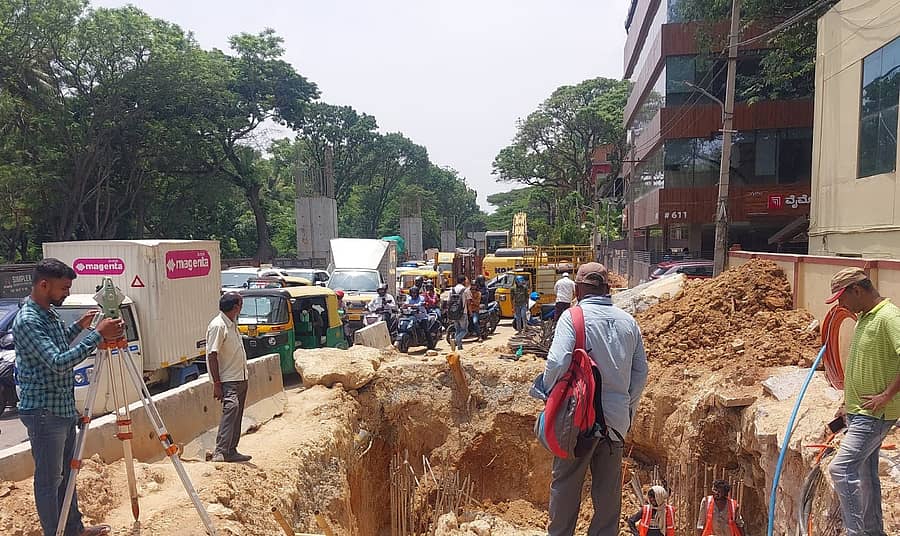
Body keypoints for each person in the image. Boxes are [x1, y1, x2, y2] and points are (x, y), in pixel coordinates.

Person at [13, 258, 124, 536]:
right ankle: (56, 532)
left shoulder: (48, 312)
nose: (67, 293)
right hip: (44, 412)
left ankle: (73, 529)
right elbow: (58, 361)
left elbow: (58, 343)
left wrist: (79, 328)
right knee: (50, 481)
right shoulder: (28, 320)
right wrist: (97, 336)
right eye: (63, 288)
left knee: (68, 474)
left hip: (61, 408)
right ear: (44, 284)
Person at [542, 262, 648, 536]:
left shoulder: (573, 318)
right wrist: (626, 408)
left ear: (578, 290)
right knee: (608, 497)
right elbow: (640, 374)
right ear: (608, 288)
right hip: (615, 423)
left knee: (566, 487)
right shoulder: (629, 322)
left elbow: (557, 362)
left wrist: (551, 395)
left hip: (576, 423)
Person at [824, 267, 900, 536]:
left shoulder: (889, 317)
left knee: (841, 469)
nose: (841, 306)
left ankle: (855, 532)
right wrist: (847, 404)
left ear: (856, 290)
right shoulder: (866, 317)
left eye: (842, 298)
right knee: (866, 475)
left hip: (875, 415)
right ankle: (873, 531)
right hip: (859, 412)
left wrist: (887, 395)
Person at [207, 292, 251, 463]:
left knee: (237, 414)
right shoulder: (218, 326)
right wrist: (217, 383)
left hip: (240, 376)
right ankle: (220, 451)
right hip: (228, 379)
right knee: (231, 408)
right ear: (235, 307)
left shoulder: (232, 324)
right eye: (241, 304)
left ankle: (231, 450)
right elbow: (212, 355)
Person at [451, 275, 472, 350]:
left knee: (458, 330)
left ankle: (459, 347)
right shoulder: (466, 290)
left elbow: (448, 301)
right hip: (463, 312)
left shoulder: (452, 289)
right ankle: (456, 339)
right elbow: (469, 303)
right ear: (463, 281)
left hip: (454, 313)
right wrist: (470, 312)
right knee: (464, 330)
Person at [468, 277, 483, 342]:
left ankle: (479, 336)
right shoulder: (468, 292)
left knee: (475, 322)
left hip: (475, 311)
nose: (473, 287)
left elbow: (477, 303)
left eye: (474, 285)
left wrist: (471, 299)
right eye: (472, 285)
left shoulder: (478, 293)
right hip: (467, 311)